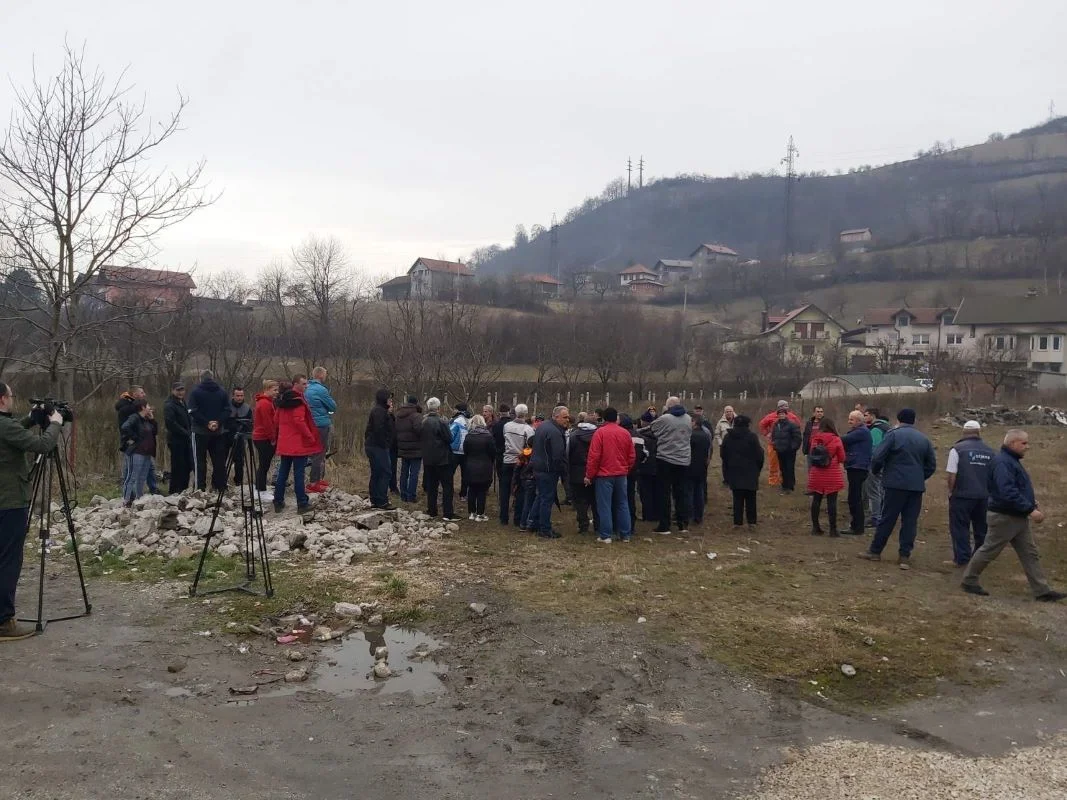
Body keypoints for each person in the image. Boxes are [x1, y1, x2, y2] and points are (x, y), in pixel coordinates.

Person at [960, 430, 1065, 601]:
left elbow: (1016, 488)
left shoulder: (1011, 461)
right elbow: (1007, 492)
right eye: (1024, 443)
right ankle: (969, 580)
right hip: (1005, 517)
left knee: (1030, 553)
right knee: (989, 550)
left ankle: (1042, 591)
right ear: (1012, 443)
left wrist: (1030, 503)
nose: (1027, 447)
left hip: (1017, 516)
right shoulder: (1003, 463)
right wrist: (1030, 510)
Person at [0, 382, 64, 641]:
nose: (13, 400)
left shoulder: (7, 426)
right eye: (11, 396)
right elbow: (42, 445)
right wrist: (56, 422)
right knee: (8, 560)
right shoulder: (4, 426)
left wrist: (30, 419)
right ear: (3, 399)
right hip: (10, 501)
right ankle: (5, 621)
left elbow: (12, 435)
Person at [859, 408, 937, 570]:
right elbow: (931, 465)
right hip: (915, 487)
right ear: (913, 420)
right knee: (910, 521)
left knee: (887, 518)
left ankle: (875, 551)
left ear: (899, 419)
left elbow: (878, 456)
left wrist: (876, 470)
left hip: (895, 484)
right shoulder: (923, 439)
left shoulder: (893, 435)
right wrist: (920, 476)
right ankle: (904, 556)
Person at [945, 420, 994, 566]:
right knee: (981, 529)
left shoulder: (957, 449)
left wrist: (951, 491)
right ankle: (980, 558)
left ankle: (962, 558)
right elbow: (994, 475)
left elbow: (951, 474)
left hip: (962, 495)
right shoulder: (990, 451)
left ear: (963, 432)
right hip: (984, 496)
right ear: (979, 432)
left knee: (960, 527)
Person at [585, 407, 636, 543]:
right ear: (616, 418)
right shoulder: (625, 433)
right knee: (622, 504)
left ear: (603, 418)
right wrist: (626, 469)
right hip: (621, 474)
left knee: (604, 505)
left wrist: (589, 475)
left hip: (604, 475)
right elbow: (631, 455)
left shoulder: (600, 433)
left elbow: (594, 456)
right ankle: (625, 534)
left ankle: (606, 535)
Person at [272, 381, 319, 514]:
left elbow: (276, 421)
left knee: (283, 472)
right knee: (299, 473)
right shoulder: (299, 403)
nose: (306, 387)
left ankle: (278, 500)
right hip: (298, 443)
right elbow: (299, 421)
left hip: (285, 442)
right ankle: (302, 503)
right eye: (304, 384)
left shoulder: (281, 404)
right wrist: (310, 436)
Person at [649, 397, 692, 535]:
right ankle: (683, 523)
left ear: (668, 407)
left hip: (666, 459)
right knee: (681, 492)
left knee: (664, 493)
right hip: (684, 459)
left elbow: (652, 429)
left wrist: (663, 413)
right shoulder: (688, 418)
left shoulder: (665, 418)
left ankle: (664, 525)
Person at [529, 405, 569, 539]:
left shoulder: (543, 426)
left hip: (538, 467)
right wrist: (562, 471)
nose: (567, 420)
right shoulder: (555, 432)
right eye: (564, 417)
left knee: (541, 496)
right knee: (547, 499)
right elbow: (558, 455)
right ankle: (545, 529)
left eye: (567, 417)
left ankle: (532, 522)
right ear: (556, 416)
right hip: (548, 470)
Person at [189, 370, 231, 492]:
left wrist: (206, 423)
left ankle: (200, 489)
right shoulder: (222, 392)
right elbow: (227, 410)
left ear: (201, 379)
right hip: (218, 431)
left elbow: (192, 410)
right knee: (219, 461)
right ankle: (220, 487)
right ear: (213, 378)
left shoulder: (195, 392)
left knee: (199, 461)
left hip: (199, 431)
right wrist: (218, 422)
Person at [720, 415, 764, 526]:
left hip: (734, 470)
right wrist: (757, 469)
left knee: (737, 498)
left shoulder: (728, 437)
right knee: (751, 498)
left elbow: (723, 454)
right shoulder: (752, 437)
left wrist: (728, 467)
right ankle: (752, 522)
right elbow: (759, 455)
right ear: (747, 424)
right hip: (751, 471)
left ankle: (737, 522)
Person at [420, 398, 459, 521]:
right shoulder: (442, 422)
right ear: (438, 408)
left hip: (428, 458)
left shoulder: (423, 422)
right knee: (447, 486)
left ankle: (432, 510)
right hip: (442, 458)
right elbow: (449, 439)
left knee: (432, 486)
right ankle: (448, 513)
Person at [116, 385, 159, 494]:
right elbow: (125, 427)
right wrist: (135, 438)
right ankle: (128, 495)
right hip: (132, 444)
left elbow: (153, 428)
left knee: (150, 468)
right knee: (130, 471)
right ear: (135, 394)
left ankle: (152, 490)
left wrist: (150, 416)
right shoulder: (126, 408)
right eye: (142, 393)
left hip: (145, 445)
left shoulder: (141, 411)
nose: (144, 395)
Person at [807, 417, 846, 536]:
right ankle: (833, 529)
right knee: (832, 502)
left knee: (816, 500)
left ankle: (815, 528)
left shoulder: (815, 439)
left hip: (816, 472)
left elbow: (811, 454)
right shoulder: (836, 439)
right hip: (831, 473)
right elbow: (842, 457)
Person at [501, 404, 535, 526]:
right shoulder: (528, 429)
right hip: (521, 461)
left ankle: (503, 517)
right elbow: (530, 446)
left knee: (504, 490)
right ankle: (517, 518)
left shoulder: (507, 426)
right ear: (526, 414)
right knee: (520, 491)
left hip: (507, 459)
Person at [304, 366, 337, 492]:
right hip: (321, 424)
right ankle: (314, 482)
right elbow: (332, 407)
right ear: (321, 376)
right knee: (320, 453)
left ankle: (315, 480)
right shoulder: (321, 390)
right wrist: (328, 410)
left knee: (310, 452)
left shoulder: (306, 388)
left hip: (308, 424)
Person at [567, 412, 600, 534]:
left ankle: (583, 525)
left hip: (577, 472)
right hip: (595, 472)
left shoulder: (574, 435)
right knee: (596, 501)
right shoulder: (598, 435)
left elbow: (568, 453)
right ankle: (598, 525)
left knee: (580, 501)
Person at [842, 410, 873, 535]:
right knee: (854, 497)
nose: (849, 421)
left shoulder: (861, 432)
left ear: (859, 421)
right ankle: (856, 525)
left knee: (855, 498)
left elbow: (843, 439)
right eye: (849, 419)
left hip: (858, 467)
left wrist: (829, 436)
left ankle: (857, 527)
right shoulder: (859, 431)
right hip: (855, 466)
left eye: (852, 420)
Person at [365, 388, 396, 511]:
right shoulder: (379, 412)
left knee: (377, 472)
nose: (391, 401)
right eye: (389, 399)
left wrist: (390, 414)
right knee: (385, 472)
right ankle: (382, 500)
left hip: (375, 445)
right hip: (378, 446)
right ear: (384, 399)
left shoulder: (382, 411)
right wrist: (386, 444)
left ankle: (375, 499)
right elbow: (380, 430)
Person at [759, 400, 801, 487]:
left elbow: (798, 427)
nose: (783, 408)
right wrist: (767, 434)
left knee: (787, 465)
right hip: (774, 444)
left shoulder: (792, 417)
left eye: (785, 406)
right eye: (781, 406)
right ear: (778, 408)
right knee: (773, 463)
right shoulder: (771, 416)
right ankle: (773, 480)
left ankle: (785, 481)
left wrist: (793, 442)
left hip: (788, 445)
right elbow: (762, 424)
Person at [462, 415, 496, 521]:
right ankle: (480, 513)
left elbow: (465, 451)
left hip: (470, 466)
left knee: (471, 489)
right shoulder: (488, 436)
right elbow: (493, 452)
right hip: (485, 466)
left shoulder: (468, 436)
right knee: (482, 490)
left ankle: (472, 513)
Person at [862, 408, 891, 527]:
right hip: (886, 463)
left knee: (873, 491)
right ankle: (882, 513)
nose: (864, 417)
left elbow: (875, 449)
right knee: (881, 490)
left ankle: (875, 517)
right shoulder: (887, 427)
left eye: (866, 415)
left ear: (873, 416)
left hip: (876, 464)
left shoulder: (876, 429)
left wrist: (872, 464)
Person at [252, 380, 279, 502]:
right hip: (263, 438)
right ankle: (260, 491)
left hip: (262, 437)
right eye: (274, 390)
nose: (276, 393)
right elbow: (268, 423)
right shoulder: (264, 404)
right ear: (267, 389)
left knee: (264, 464)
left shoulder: (266, 402)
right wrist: (272, 438)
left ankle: (259, 488)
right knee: (264, 464)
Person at [163, 382, 192, 495]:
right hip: (176, 440)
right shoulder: (169, 404)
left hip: (186, 440)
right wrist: (185, 432)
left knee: (188, 465)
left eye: (182, 390)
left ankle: (183, 489)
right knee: (178, 466)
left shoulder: (183, 402)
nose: (180, 392)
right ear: (173, 390)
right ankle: (175, 490)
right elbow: (171, 423)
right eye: (178, 390)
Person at [394, 395, 424, 503]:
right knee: (414, 473)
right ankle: (411, 496)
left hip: (402, 447)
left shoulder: (398, 415)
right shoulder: (417, 416)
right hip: (416, 449)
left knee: (404, 472)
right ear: (416, 403)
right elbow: (419, 430)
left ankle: (403, 495)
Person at [686, 416, 713, 525]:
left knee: (690, 491)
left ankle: (689, 514)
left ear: (694, 422)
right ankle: (699, 516)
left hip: (691, 466)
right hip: (702, 467)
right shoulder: (706, 436)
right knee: (700, 491)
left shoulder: (691, 436)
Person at [770, 408, 802, 493]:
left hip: (789, 451)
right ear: (778, 415)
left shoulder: (792, 425)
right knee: (782, 468)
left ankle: (790, 486)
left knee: (789, 468)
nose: (781, 415)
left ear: (786, 414)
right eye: (780, 414)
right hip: (780, 450)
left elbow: (797, 438)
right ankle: (784, 485)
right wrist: (775, 445)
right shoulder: (776, 425)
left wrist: (793, 447)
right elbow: (774, 436)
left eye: (783, 414)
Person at [622, 414, 644, 530]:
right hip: (634, 470)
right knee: (630, 496)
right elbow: (644, 454)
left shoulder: (622, 435)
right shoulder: (639, 436)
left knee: (621, 498)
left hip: (622, 470)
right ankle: (631, 522)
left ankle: (621, 523)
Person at [636, 410, 659, 523]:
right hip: (658, 465)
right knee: (656, 491)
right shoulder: (660, 433)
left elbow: (641, 453)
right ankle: (656, 513)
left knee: (645, 492)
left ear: (643, 422)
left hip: (645, 467)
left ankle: (648, 515)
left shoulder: (642, 436)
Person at [227, 387, 253, 486]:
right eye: (237, 395)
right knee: (222, 460)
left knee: (239, 461)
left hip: (240, 437)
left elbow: (250, 424)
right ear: (233, 396)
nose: (239, 398)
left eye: (241, 395)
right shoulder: (227, 406)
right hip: (226, 435)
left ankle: (239, 482)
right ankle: (220, 483)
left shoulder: (247, 408)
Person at [450, 403, 472, 500]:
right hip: (467, 451)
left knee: (450, 472)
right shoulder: (470, 420)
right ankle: (463, 494)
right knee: (465, 474)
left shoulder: (456, 421)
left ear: (458, 410)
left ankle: (450, 491)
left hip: (455, 451)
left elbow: (450, 434)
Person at [490, 403, 511, 491]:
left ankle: (502, 491)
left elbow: (493, 439)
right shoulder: (511, 424)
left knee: (501, 475)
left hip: (499, 453)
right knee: (510, 474)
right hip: (510, 453)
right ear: (508, 412)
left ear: (500, 413)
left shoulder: (496, 425)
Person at [714, 405, 736, 485]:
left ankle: (734, 479)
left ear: (733, 411)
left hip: (736, 447)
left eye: (730, 411)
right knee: (725, 464)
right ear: (724, 413)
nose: (729, 413)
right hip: (725, 447)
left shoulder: (738, 420)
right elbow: (717, 434)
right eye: (727, 411)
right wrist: (721, 443)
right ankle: (726, 480)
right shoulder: (720, 422)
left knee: (735, 463)